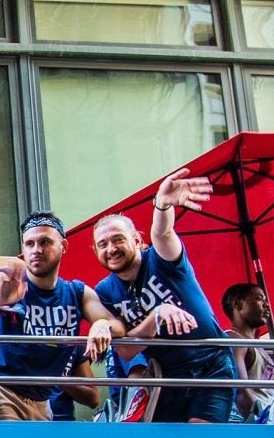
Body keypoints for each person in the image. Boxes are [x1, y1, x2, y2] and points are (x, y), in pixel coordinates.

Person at [91, 171, 240, 423]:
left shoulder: (160, 259)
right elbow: (126, 350)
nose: (111, 249)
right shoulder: (104, 291)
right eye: (102, 244)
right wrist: (156, 316)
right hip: (166, 375)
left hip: (210, 364)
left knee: (199, 435)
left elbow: (163, 233)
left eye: (118, 239)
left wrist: (162, 204)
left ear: (137, 240)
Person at [0, 213, 117, 421]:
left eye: (45, 242)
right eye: (29, 244)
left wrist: (103, 324)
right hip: (1, 391)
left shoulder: (77, 292)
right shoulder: (7, 279)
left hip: (43, 401)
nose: (36, 250)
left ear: (64, 246)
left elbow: (116, 324)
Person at [220, 282, 274, 423]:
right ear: (238, 304)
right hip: (248, 422)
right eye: (259, 298)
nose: (267, 305)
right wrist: (259, 420)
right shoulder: (234, 339)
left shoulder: (259, 347)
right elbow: (240, 390)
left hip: (266, 419)